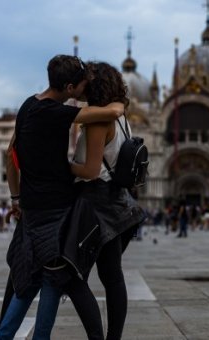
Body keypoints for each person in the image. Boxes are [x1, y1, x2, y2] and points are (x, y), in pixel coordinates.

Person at [0, 55, 125, 339]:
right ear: (69, 87)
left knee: (21, 275)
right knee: (59, 278)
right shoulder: (58, 113)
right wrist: (120, 103)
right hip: (57, 209)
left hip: (30, 207)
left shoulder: (27, 106)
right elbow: (111, 113)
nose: (83, 91)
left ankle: (3, 335)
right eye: (81, 85)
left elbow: (10, 154)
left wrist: (16, 198)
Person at [63, 61, 147, 339]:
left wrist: (63, 166)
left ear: (95, 84)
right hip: (119, 203)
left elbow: (89, 170)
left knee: (72, 276)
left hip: (97, 202)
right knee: (112, 277)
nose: (81, 84)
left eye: (86, 79)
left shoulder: (100, 119)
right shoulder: (120, 116)